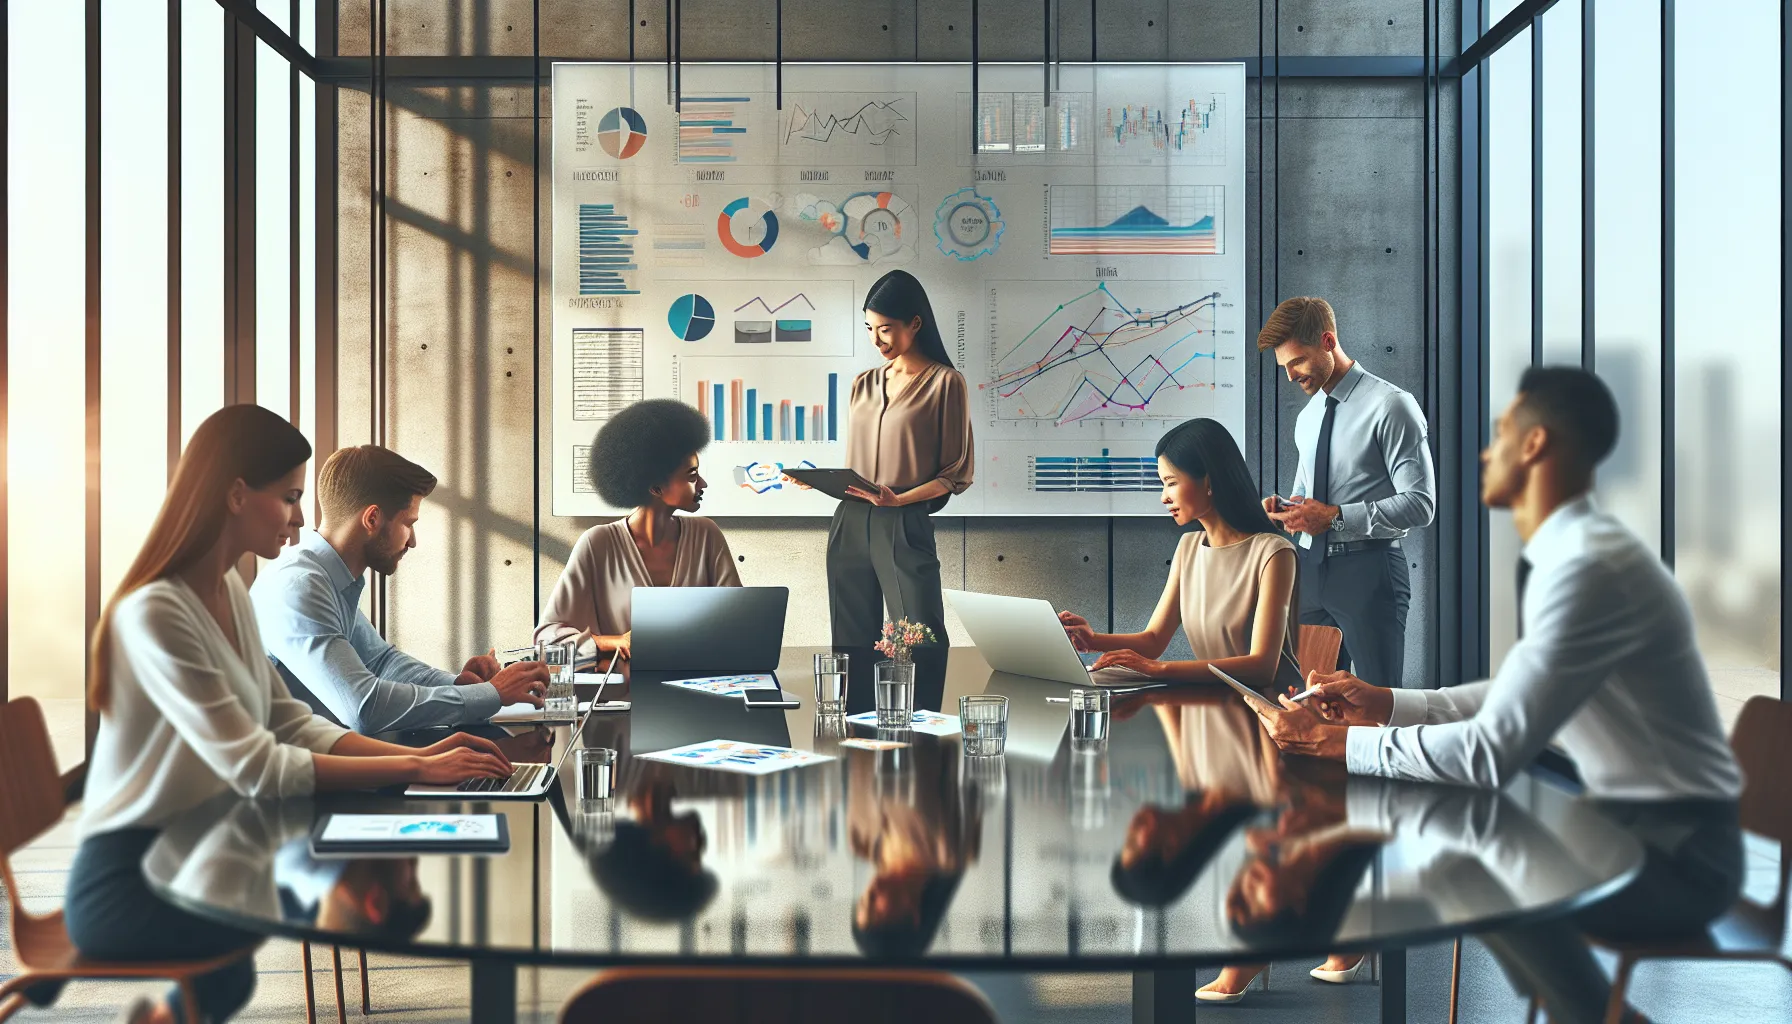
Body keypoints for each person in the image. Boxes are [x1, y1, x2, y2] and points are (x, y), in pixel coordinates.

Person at [1254, 367, 1744, 1024]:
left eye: (1502, 434)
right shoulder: (1574, 554)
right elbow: (1515, 693)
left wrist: (1344, 743)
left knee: (1463, 864)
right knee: (1457, 853)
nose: (1487, 452)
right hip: (1623, 826)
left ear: (1536, 445)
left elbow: (1489, 754)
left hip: (1677, 855)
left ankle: (1604, 1018)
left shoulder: (1590, 569)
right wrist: (1388, 702)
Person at [57, 405, 512, 1024]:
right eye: (290, 498)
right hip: (137, 873)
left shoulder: (230, 599)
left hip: (208, 848)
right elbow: (256, 766)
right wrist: (415, 766)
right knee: (272, 939)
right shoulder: (158, 613)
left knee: (237, 971)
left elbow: (293, 724)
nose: (302, 519)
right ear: (237, 495)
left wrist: (421, 759)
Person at [251, 444, 552, 733]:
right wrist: (491, 694)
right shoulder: (300, 587)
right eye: (409, 523)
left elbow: (381, 662)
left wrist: (460, 685)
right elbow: (363, 709)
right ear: (372, 518)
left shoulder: (328, 576)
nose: (413, 541)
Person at [1259, 296, 1436, 689]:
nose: (1290, 376)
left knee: (1377, 705)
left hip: (1369, 573)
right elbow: (1307, 498)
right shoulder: (1307, 418)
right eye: (1284, 366)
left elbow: (1421, 504)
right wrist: (1287, 509)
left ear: (1327, 341)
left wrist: (1336, 515)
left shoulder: (1391, 406)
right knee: (1306, 703)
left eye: (1297, 362)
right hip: (1310, 573)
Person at [1058, 418, 1301, 691]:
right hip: (1214, 700)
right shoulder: (1188, 547)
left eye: (1171, 483)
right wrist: (1092, 640)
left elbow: (1262, 669)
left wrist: (1159, 669)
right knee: (1092, 684)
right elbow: (1153, 640)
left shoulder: (1273, 553)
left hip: (1273, 711)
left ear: (1208, 481)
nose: (1164, 497)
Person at [826, 269, 974, 655]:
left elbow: (954, 474)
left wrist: (901, 501)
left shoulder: (945, 383)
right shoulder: (863, 382)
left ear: (915, 323)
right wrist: (821, 480)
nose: (876, 340)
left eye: (886, 329)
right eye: (869, 328)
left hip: (904, 519)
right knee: (850, 638)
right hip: (850, 519)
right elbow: (857, 460)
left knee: (919, 637)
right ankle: (853, 717)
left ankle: (921, 716)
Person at [537, 398, 741, 658]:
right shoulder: (598, 543)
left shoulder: (706, 535)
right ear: (655, 487)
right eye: (691, 476)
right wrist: (613, 642)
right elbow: (548, 639)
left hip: (699, 687)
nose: (702, 484)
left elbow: (738, 622)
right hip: (622, 695)